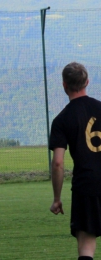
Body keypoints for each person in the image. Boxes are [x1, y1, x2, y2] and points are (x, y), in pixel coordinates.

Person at [49, 62, 101, 260]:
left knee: (86, 246)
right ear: (87, 82)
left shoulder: (62, 120)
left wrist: (56, 199)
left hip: (86, 186)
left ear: (64, 85)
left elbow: (58, 163)